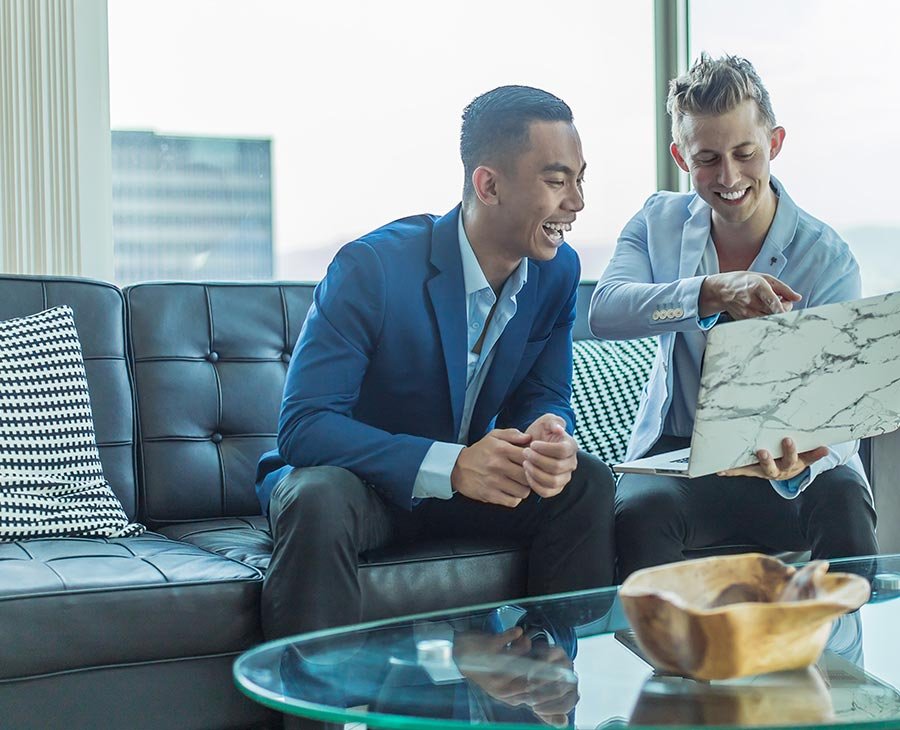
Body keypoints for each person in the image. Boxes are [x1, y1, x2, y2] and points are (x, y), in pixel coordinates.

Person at [256, 85, 616, 639]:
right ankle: (306, 717)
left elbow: (543, 394)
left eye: (579, 177)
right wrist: (449, 465)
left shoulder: (558, 272)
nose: (577, 201)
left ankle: (539, 692)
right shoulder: (371, 268)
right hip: (364, 487)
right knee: (317, 498)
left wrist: (549, 431)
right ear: (489, 184)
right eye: (556, 179)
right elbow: (304, 427)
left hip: (466, 489)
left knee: (584, 482)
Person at [589, 54, 877, 579]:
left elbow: (844, 407)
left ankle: (842, 660)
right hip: (681, 457)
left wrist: (804, 455)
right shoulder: (656, 223)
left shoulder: (828, 258)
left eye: (745, 152)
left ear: (775, 143)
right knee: (639, 511)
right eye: (707, 159)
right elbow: (606, 311)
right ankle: (666, 662)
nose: (729, 176)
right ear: (680, 156)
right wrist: (711, 292)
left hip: (790, 461)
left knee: (844, 500)